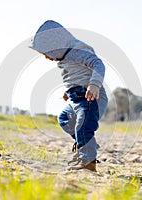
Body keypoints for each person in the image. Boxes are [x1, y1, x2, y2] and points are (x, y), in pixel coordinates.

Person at [30, 20, 108, 172]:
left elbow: (98, 64)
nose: (46, 57)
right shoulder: (65, 58)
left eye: (46, 53)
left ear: (56, 46)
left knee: (83, 126)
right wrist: (69, 90)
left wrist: (94, 84)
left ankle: (88, 162)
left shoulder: (76, 51)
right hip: (76, 98)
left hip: (90, 96)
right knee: (64, 119)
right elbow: (75, 75)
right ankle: (84, 143)